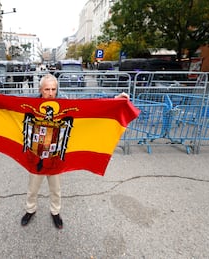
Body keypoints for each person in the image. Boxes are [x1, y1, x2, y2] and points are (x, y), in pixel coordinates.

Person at [21, 74, 129, 229]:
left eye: (53, 89)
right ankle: (30, 210)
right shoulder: (30, 102)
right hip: (36, 152)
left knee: (56, 188)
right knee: (33, 187)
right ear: (40, 89)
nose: (51, 93)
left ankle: (55, 212)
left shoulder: (65, 102)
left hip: (55, 153)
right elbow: (6, 102)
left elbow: (90, 106)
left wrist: (114, 99)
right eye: (47, 89)